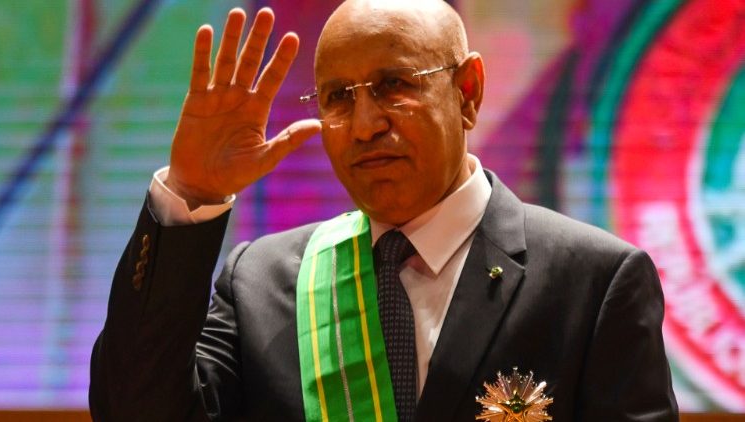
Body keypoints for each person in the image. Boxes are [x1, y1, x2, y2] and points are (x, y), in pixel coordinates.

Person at [89, 1, 679, 420]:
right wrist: (192, 191)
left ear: (468, 92)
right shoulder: (260, 282)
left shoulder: (594, 280)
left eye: (394, 84)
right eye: (337, 98)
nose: (365, 125)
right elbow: (134, 411)